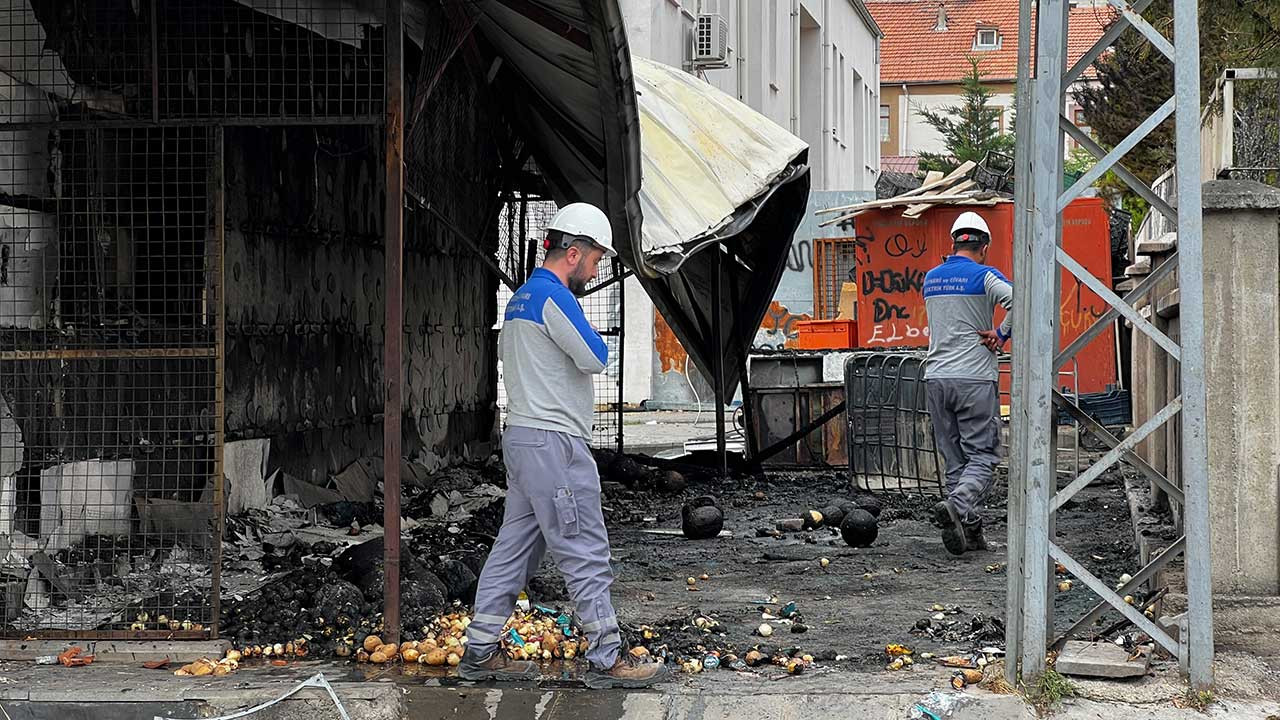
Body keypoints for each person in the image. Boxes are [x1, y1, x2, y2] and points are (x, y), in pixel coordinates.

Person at [458, 202, 669, 689]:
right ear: (573, 252)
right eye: (596, 260)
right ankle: (606, 658)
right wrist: (596, 338)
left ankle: (479, 652)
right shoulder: (553, 297)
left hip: (524, 439)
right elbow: (595, 356)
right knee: (585, 550)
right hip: (556, 445)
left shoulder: (519, 300)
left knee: (512, 551)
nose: (595, 270)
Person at [921, 211, 1013, 556]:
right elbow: (1020, 299)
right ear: (984, 247)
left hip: (936, 379)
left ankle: (970, 533)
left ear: (954, 243)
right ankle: (957, 508)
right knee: (984, 456)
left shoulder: (931, 278)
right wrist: (1001, 333)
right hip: (973, 378)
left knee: (956, 460)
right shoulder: (985, 275)